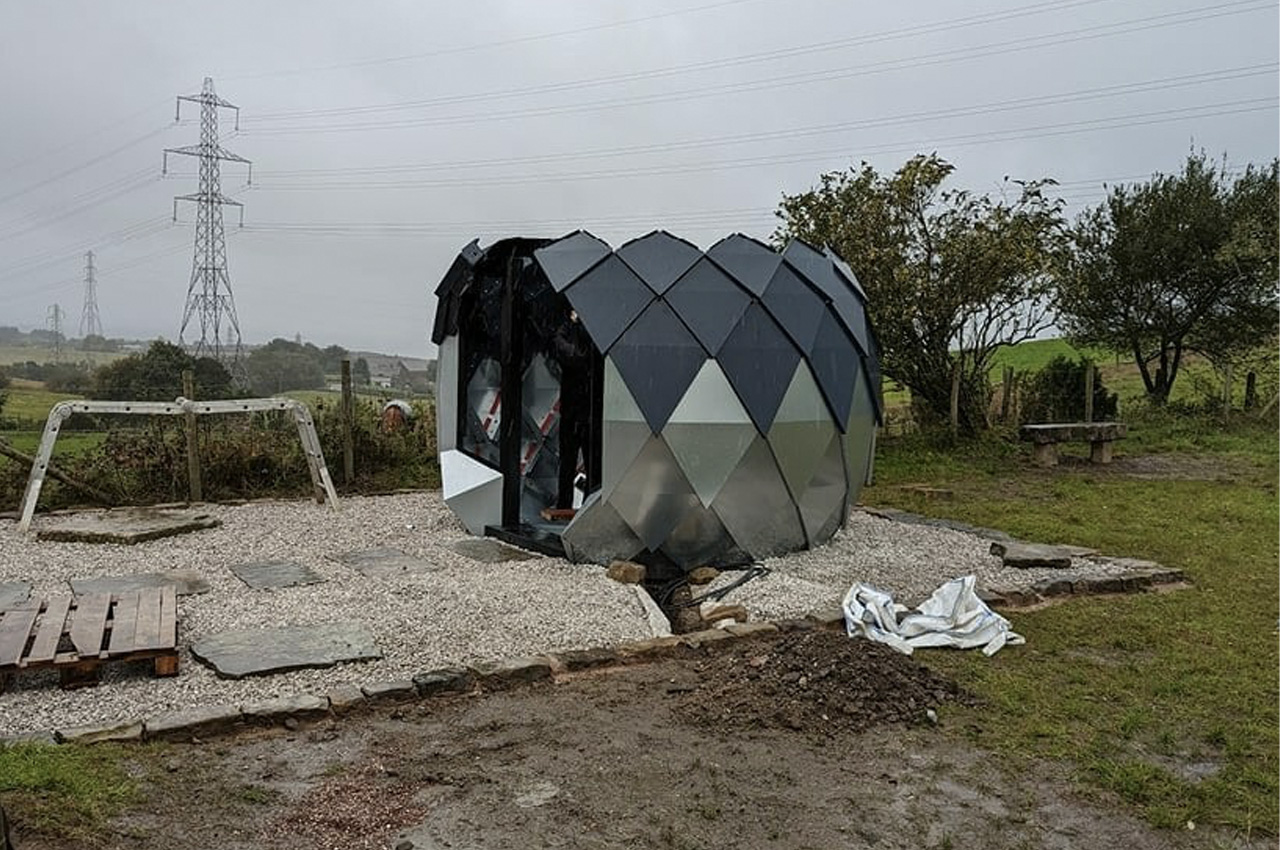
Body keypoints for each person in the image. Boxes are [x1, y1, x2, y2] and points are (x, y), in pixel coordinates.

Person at [552, 309, 592, 510]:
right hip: (577, 407)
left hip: (583, 407)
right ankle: (566, 503)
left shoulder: (573, 331)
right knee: (570, 459)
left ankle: (577, 503)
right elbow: (575, 356)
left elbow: (577, 357)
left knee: (579, 459)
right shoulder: (568, 331)